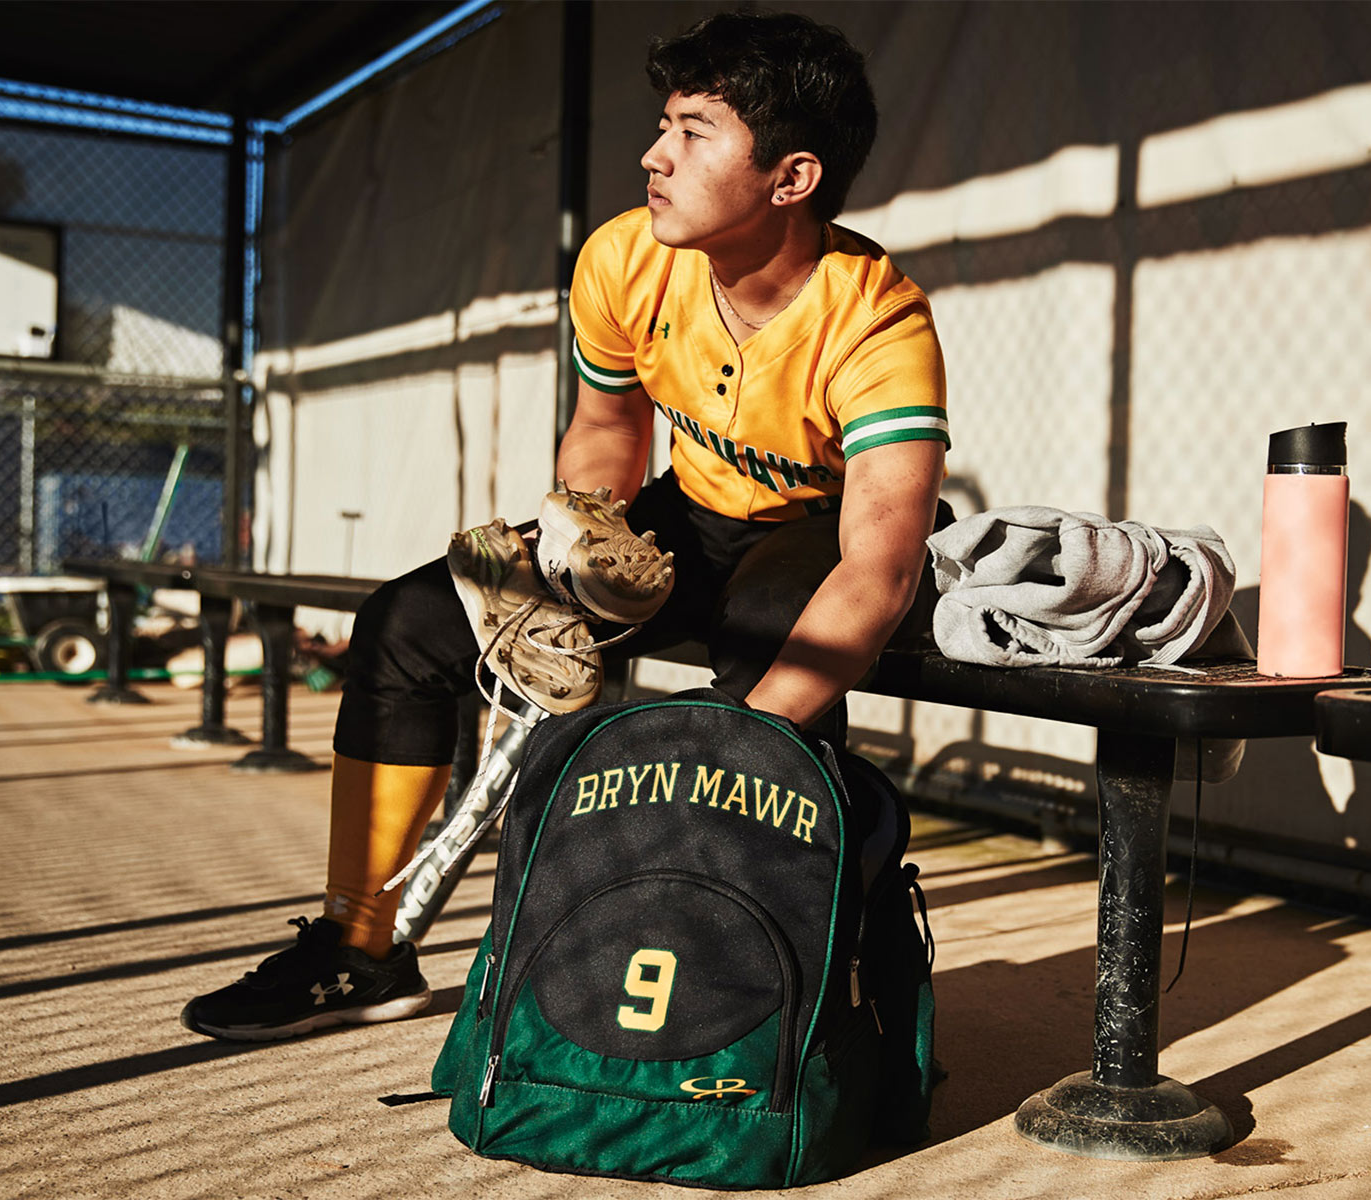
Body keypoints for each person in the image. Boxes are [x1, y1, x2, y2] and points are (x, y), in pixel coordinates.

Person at [182, 8, 951, 1042]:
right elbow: (604, 427)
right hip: (689, 512)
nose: (654, 154)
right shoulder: (626, 257)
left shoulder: (879, 316)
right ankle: (360, 949)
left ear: (792, 178)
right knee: (406, 625)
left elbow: (880, 568)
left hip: (819, 535)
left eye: (692, 131)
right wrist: (584, 538)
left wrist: (732, 744)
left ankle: (772, 985)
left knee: (777, 639)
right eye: (662, 124)